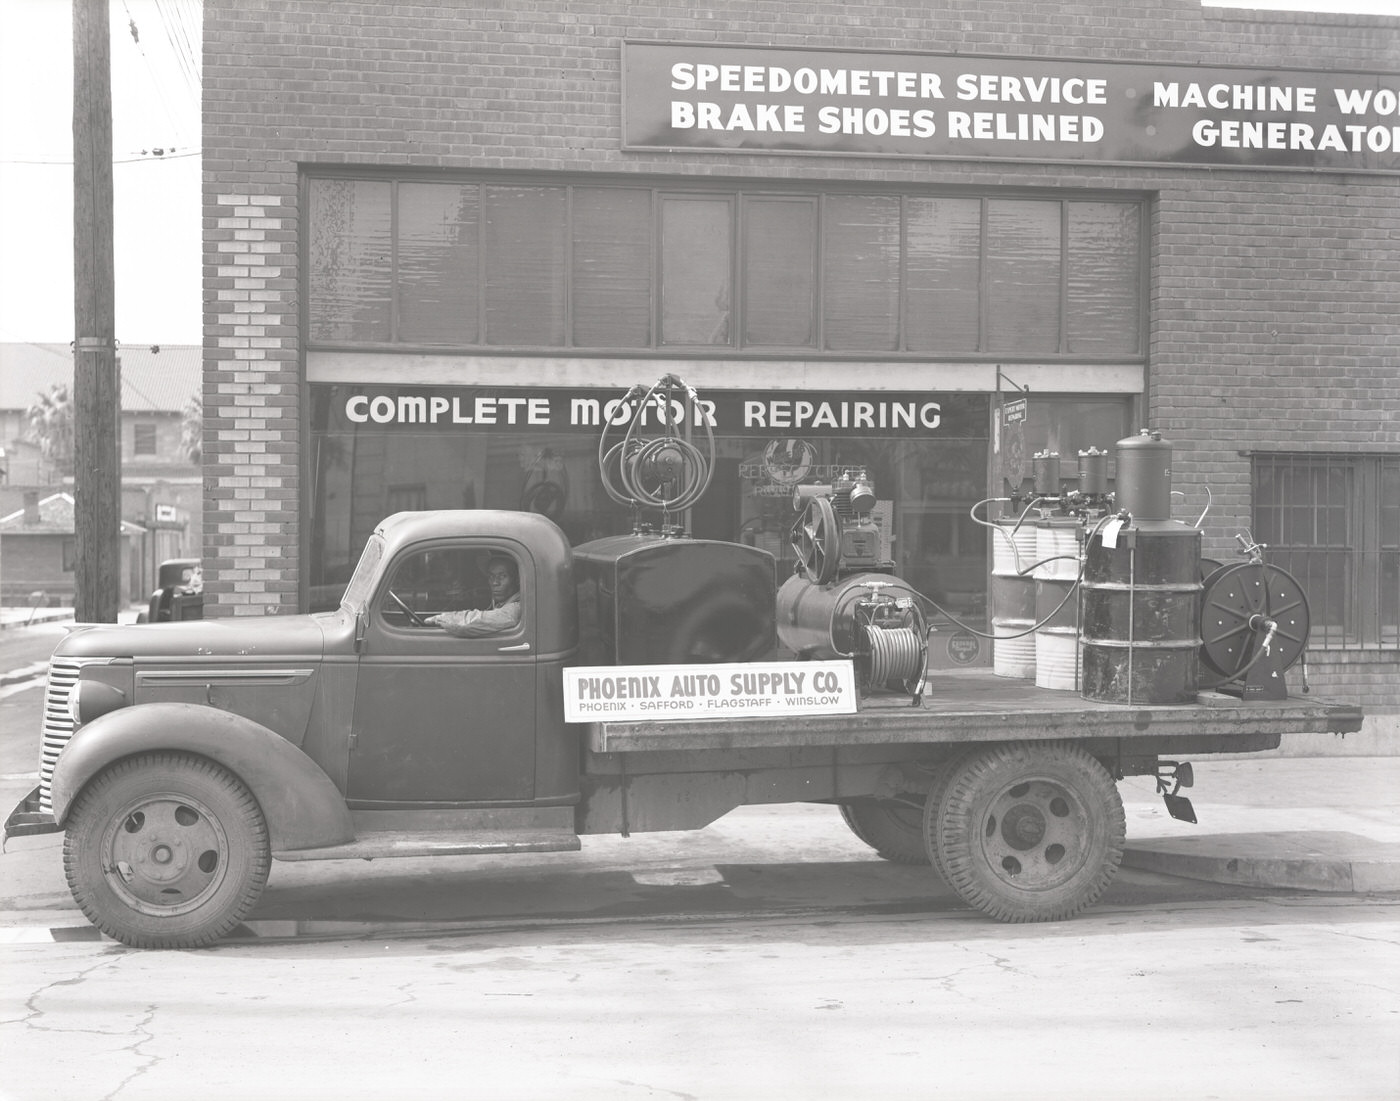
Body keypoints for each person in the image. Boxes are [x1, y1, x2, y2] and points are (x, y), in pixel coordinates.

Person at [426, 554, 521, 637]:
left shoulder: (517, 607)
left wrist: (440, 618)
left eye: (502, 576)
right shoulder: (502, 604)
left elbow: (469, 624)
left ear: (517, 580)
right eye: (491, 576)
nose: (495, 582)